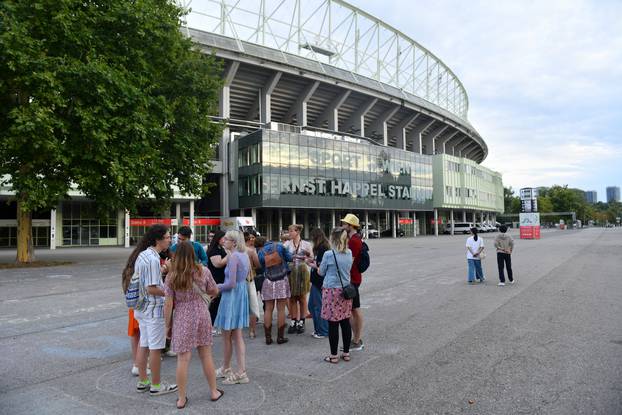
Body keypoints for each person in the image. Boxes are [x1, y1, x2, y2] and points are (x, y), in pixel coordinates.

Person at [163, 242, 223, 408]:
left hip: (183, 316)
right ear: (193, 254)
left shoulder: (172, 276)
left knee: (183, 359)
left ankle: (181, 399)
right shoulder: (203, 271)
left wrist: (167, 326)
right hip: (202, 314)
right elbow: (214, 291)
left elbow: (168, 304)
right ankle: (213, 391)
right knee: (206, 355)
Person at [130, 224, 178, 395]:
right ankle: (156, 385)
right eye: (167, 237)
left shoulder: (144, 255)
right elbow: (151, 288)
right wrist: (170, 292)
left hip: (141, 308)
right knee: (155, 348)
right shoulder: (152, 259)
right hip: (152, 309)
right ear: (158, 239)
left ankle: (143, 381)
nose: (170, 240)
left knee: (144, 344)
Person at [308, 228, 353, 364]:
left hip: (331, 291)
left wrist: (313, 265)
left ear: (334, 238)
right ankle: (346, 352)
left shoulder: (329, 254)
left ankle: (334, 355)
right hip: (345, 290)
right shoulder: (349, 253)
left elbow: (321, 273)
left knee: (333, 323)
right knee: (345, 321)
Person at [214, 230, 251, 385]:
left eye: (227, 239)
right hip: (239, 294)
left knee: (229, 335)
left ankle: (235, 370)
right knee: (236, 335)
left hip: (232, 296)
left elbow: (231, 283)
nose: (224, 241)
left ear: (234, 242)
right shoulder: (244, 254)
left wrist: (216, 287)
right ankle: (230, 368)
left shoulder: (234, 256)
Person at [258, 238, 292, 345]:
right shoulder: (280, 247)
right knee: (281, 309)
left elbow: (260, 265)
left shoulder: (261, 251)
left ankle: (268, 338)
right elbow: (290, 258)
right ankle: (280, 337)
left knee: (268, 309)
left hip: (268, 280)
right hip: (281, 279)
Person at [340, 214, 364, 351]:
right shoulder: (352, 239)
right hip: (351, 278)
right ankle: (356, 338)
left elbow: (350, 261)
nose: (343, 225)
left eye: (345, 223)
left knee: (355, 308)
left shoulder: (354, 241)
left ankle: (357, 339)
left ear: (350, 225)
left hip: (352, 279)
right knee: (351, 309)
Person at [283, 224, 313, 334]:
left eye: (291, 231)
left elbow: (311, 259)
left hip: (302, 271)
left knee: (302, 298)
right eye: (289, 231)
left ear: (297, 232)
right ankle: (294, 320)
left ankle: (302, 321)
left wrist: (307, 256)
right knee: (292, 298)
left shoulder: (306, 244)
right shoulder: (286, 244)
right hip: (290, 272)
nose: (289, 233)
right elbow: (283, 258)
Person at [307, 228, 329, 339]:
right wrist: (311, 260)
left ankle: (323, 331)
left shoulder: (322, 248)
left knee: (319, 306)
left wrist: (309, 263)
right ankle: (318, 329)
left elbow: (321, 266)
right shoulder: (320, 248)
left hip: (319, 281)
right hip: (316, 280)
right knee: (311, 306)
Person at [207, 230, 227, 327]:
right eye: (224, 238)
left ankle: (214, 324)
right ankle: (210, 325)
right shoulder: (214, 250)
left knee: (219, 303)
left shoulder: (221, 248)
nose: (225, 240)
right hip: (215, 279)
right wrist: (230, 255)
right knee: (214, 303)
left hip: (221, 278)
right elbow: (218, 264)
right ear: (218, 238)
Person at [244, 232, 261, 338]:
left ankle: (234, 332)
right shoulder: (250, 251)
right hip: (249, 279)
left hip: (237, 281)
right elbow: (258, 264)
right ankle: (252, 331)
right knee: (253, 306)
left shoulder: (233, 251)